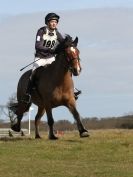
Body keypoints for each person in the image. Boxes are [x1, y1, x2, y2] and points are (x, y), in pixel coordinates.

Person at [23, 12, 81, 103]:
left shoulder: (56, 33)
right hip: (40, 58)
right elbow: (37, 45)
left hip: (51, 58)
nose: (54, 23)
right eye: (52, 22)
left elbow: (63, 43)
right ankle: (28, 94)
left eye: (56, 22)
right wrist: (50, 50)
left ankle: (72, 90)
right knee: (33, 74)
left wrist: (70, 44)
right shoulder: (41, 31)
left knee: (65, 70)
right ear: (47, 22)